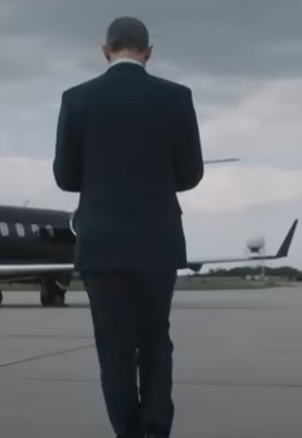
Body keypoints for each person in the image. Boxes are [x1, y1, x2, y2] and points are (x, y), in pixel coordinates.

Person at [53, 16, 204, 438]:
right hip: (157, 240)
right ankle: (157, 430)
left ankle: (128, 433)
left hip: (100, 243)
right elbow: (191, 173)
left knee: (113, 348)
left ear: (105, 50)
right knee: (156, 341)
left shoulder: (76, 99)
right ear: (148, 52)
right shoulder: (176, 97)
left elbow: (65, 177)